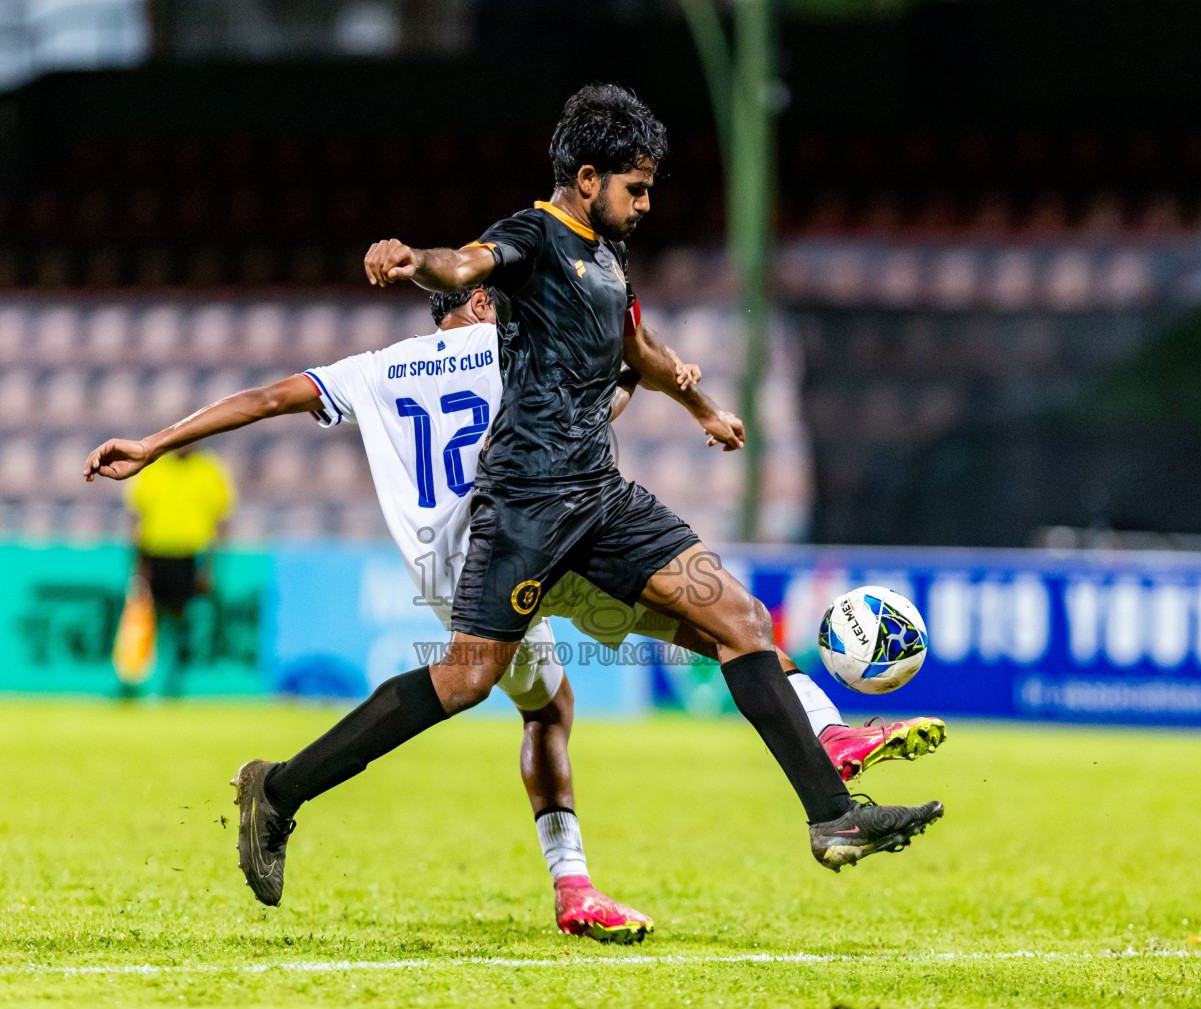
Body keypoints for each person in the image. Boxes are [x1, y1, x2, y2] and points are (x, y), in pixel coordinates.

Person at [207, 83, 944, 913]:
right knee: (464, 680)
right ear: (587, 177)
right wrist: (417, 261)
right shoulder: (534, 236)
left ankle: (834, 816)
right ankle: (280, 791)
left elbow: (641, 347)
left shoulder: (607, 255)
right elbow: (465, 265)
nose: (647, 203)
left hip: (600, 496)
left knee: (738, 619)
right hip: (523, 503)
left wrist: (704, 409)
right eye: (637, 188)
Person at [85, 283, 947, 937]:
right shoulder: (517, 349)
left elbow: (269, 398)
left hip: (453, 560)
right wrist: (665, 387)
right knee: (698, 637)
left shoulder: (373, 370)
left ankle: (299, 797)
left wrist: (156, 441)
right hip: (524, 540)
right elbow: (596, 398)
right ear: (482, 303)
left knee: (570, 682)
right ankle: (816, 754)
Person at [119, 444, 234, 699]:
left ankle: (174, 682)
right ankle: (136, 680)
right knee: (147, 621)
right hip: (155, 554)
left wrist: (209, 566)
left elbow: (221, 520)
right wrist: (139, 565)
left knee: (182, 622)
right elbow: (137, 517)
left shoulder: (209, 471)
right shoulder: (152, 469)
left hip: (189, 556)